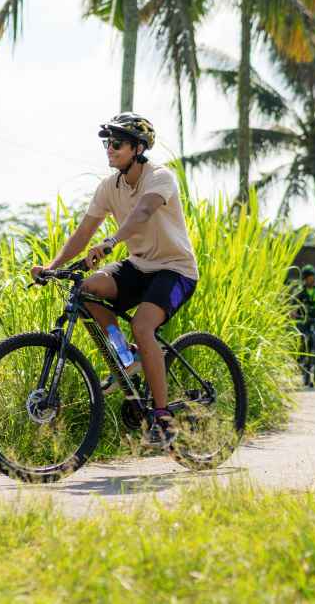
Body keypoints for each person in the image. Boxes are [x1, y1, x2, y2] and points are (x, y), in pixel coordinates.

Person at [31, 113, 198, 450]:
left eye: (117, 143)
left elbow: (143, 213)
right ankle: (127, 357)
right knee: (87, 289)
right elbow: (83, 233)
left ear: (138, 148)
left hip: (175, 269)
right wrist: (52, 265)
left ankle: (163, 418)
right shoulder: (110, 187)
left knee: (143, 325)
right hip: (139, 265)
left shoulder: (159, 177)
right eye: (107, 143)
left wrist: (111, 243)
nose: (109, 149)